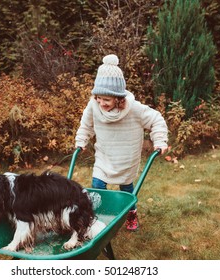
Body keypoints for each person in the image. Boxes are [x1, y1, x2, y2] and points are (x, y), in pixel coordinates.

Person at [75, 54, 168, 231]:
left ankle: (130, 214)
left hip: (127, 158)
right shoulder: (93, 105)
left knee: (126, 190)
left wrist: (160, 140)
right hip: (104, 156)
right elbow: (86, 125)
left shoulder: (134, 109)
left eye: (107, 100)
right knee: (97, 188)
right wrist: (81, 140)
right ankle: (96, 221)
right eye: (98, 98)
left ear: (118, 98)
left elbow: (156, 119)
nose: (101, 103)